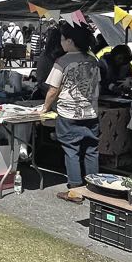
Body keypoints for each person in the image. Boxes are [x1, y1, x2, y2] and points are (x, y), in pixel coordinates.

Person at [40, 21, 100, 200]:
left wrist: (44, 108)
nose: (61, 43)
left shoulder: (63, 61)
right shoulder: (93, 60)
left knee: (71, 150)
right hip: (91, 112)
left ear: (70, 41)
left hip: (69, 113)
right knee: (91, 150)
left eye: (62, 39)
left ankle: (75, 190)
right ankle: (95, 189)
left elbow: (53, 89)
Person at [33, 26, 63, 98]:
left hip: (48, 90)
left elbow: (40, 78)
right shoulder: (61, 56)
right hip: (52, 91)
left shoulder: (45, 54)